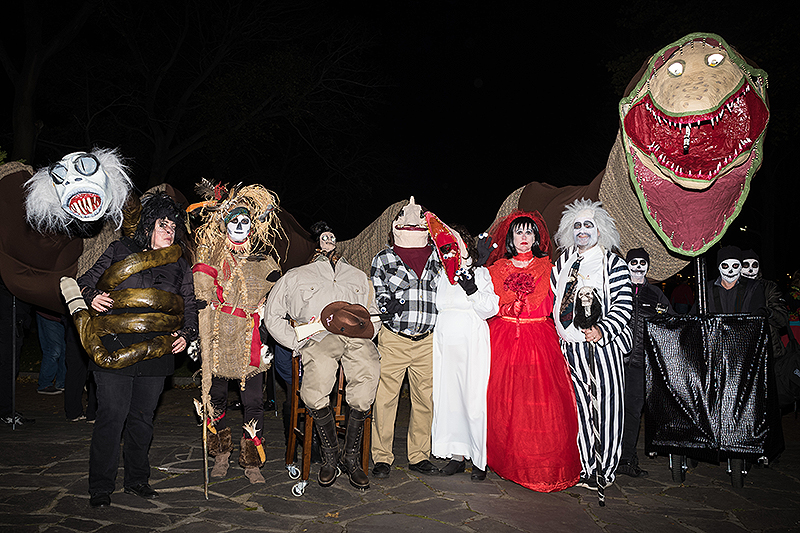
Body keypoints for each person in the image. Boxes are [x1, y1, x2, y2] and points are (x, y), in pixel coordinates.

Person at [75, 192, 198, 508]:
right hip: (115, 345)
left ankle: (137, 480)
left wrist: (186, 334)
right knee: (112, 415)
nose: (169, 231)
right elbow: (84, 281)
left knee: (142, 418)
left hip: (157, 350)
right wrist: (90, 296)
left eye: (173, 226)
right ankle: (101, 486)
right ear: (147, 226)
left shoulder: (180, 263)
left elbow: (189, 304)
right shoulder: (121, 250)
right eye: (163, 225)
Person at [265, 221, 381, 490]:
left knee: (369, 371)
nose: (329, 241)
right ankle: (330, 455)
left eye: (333, 236)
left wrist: (368, 331)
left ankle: (350, 457)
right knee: (317, 380)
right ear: (315, 243)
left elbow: (374, 313)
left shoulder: (358, 276)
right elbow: (273, 315)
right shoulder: (297, 275)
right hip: (317, 336)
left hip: (355, 337)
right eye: (323, 237)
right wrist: (296, 341)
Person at [192, 182, 282, 484]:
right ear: (225, 224)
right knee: (215, 397)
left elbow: (279, 293)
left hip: (249, 340)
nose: (240, 225)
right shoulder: (211, 256)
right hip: (218, 337)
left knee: (253, 401)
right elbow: (200, 293)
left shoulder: (264, 260)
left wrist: (267, 307)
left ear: (252, 226)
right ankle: (220, 454)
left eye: (245, 220)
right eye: (234, 220)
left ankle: (252, 461)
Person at [484, 210, 581, 491]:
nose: (524, 237)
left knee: (538, 403)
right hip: (502, 338)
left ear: (537, 237)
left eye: (529, 232)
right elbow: (486, 302)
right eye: (519, 232)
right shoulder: (497, 268)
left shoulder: (548, 267)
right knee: (502, 402)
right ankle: (502, 459)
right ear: (510, 238)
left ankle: (538, 463)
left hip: (538, 338)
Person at [552, 198, 633, 490]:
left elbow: (624, 305)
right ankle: (587, 467)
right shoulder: (562, 263)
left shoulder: (612, 263)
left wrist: (602, 329)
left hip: (602, 348)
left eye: (588, 225)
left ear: (600, 230)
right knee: (582, 410)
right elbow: (555, 300)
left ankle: (605, 470)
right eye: (577, 226)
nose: (582, 230)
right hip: (570, 348)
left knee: (607, 409)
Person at [370, 197, 441, 478]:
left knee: (426, 400)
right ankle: (381, 457)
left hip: (428, 341)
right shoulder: (383, 258)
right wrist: (387, 307)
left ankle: (419, 455)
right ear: (396, 225)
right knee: (385, 399)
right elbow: (378, 292)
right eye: (405, 216)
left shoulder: (438, 256)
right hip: (394, 339)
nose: (412, 220)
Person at [427, 214, 499, 481]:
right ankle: (456, 456)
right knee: (449, 400)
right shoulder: (441, 276)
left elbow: (490, 308)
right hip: (445, 342)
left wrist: (472, 288)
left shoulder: (480, 273)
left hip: (471, 341)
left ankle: (479, 458)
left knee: (473, 400)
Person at [618, 248, 673, 478]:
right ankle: (606, 457)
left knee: (633, 411)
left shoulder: (656, 294)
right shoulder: (618, 290)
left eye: (643, 262)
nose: (638, 266)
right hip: (617, 361)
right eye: (634, 262)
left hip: (641, 364)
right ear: (627, 265)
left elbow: (670, 324)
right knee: (613, 410)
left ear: (648, 266)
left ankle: (626, 459)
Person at [741, 249, 788, 360]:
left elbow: (783, 319)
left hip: (769, 350)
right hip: (742, 351)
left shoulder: (769, 287)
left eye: (754, 265)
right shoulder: (731, 288)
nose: (750, 269)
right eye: (746, 265)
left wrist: (768, 312)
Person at [692, 246, 766, 315]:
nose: (730, 271)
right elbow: (694, 314)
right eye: (725, 266)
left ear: (740, 267)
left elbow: (759, 315)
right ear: (719, 267)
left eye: (735, 266)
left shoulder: (753, 287)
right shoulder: (707, 289)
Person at [35, 310, 67, 395]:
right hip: (48, 314)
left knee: (65, 350)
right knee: (54, 351)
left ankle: (61, 383)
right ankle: (44, 384)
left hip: (61, 317)